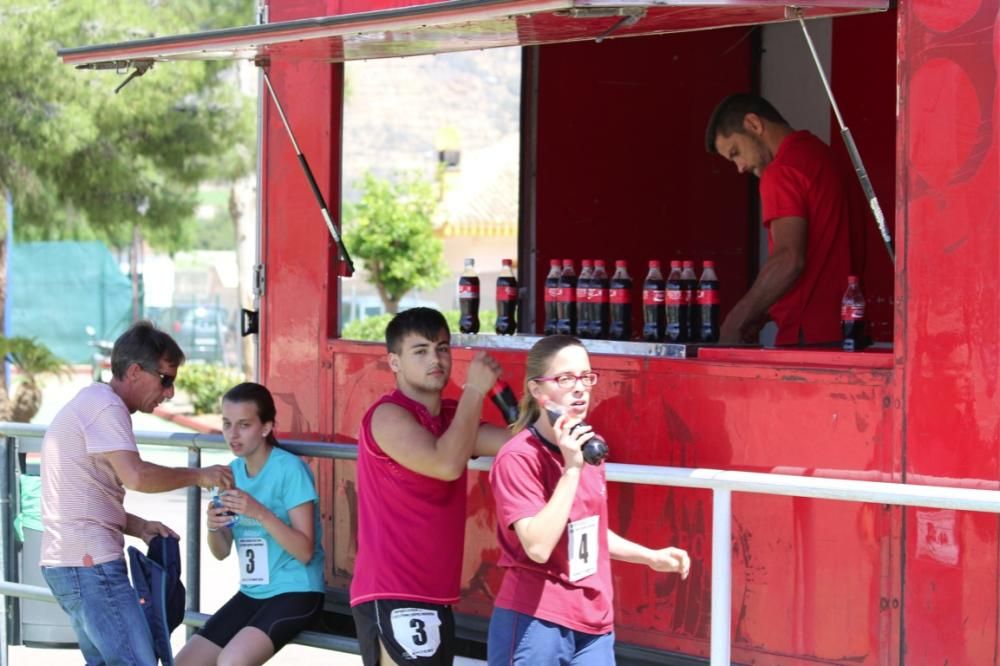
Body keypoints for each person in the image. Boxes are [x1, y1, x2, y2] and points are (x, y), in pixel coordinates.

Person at [40, 320, 234, 665]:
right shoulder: (106, 407)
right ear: (133, 371)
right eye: (166, 379)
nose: (170, 392)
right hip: (91, 566)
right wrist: (199, 475)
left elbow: (85, 496)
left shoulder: (92, 401)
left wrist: (139, 526)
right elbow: (138, 477)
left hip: (71, 563)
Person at [487, 335, 690, 665]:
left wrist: (649, 556)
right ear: (537, 390)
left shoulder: (588, 448)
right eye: (566, 379)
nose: (579, 388)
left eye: (586, 377)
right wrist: (570, 470)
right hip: (537, 619)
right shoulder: (518, 457)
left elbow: (588, 531)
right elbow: (537, 546)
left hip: (593, 621)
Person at [350, 307, 510, 666]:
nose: (435, 359)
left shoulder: (453, 417)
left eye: (441, 348)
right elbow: (446, 464)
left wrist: (544, 403)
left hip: (435, 593)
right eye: (419, 351)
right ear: (394, 362)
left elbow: (513, 442)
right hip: (394, 589)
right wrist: (474, 389)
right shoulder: (387, 415)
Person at [176, 382, 325, 666]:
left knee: (232, 661)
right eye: (227, 423)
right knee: (184, 662)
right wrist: (212, 526)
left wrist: (259, 512)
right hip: (251, 592)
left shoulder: (290, 469)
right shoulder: (230, 474)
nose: (233, 434)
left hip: (297, 591)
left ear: (266, 427)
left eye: (244, 425)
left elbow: (305, 551)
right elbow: (220, 552)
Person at [705, 93, 852, 346]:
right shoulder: (823, 156)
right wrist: (765, 310)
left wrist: (735, 322)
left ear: (753, 124)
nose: (740, 167)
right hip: (848, 329)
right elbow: (825, 259)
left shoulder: (781, 170)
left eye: (735, 152)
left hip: (808, 339)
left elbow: (789, 259)